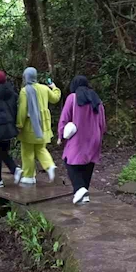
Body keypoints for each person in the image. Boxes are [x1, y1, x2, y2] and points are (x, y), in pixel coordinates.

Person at [58, 75, 106, 205]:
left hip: (78, 136)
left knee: (69, 161)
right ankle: (84, 195)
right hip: (95, 136)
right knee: (88, 163)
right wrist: (100, 135)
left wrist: (61, 134)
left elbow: (64, 118)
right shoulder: (97, 99)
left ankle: (79, 188)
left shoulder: (72, 98)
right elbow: (102, 123)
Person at [16, 67, 61, 185]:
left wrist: (19, 124)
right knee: (41, 148)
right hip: (43, 126)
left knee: (27, 152)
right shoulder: (44, 88)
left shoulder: (25, 91)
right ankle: (50, 166)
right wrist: (54, 88)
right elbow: (55, 98)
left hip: (30, 126)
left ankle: (29, 177)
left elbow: (22, 110)